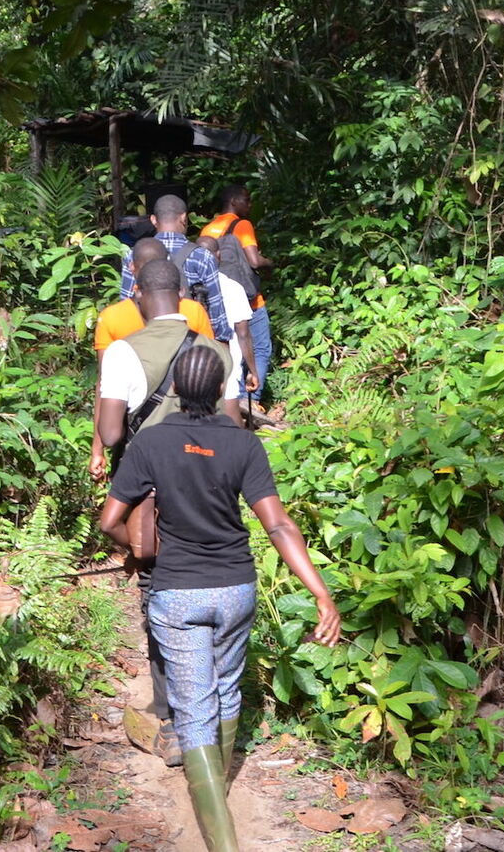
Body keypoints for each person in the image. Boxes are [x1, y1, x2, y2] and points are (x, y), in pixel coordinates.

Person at [96, 344, 341, 852]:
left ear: (180, 390)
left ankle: (221, 839)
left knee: (192, 706)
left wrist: (140, 553)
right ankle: (219, 794)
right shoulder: (244, 445)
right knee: (227, 689)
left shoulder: (150, 443)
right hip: (235, 588)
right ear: (222, 389)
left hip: (178, 592)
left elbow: (109, 522)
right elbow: (277, 523)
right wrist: (322, 594)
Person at [92, 258, 242, 767]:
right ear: (183, 294)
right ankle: (216, 712)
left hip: (148, 492)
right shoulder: (219, 349)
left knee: (159, 590)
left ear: (137, 293)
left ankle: (174, 714)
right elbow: (234, 422)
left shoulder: (121, 352)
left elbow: (111, 435)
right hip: (211, 485)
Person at [89, 238, 216, 484]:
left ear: (132, 269)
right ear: (168, 266)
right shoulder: (193, 311)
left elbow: (104, 387)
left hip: (134, 434)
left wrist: (97, 449)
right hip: (190, 432)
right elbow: (212, 371)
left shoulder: (112, 317)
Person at [119, 195, 232, 345]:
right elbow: (216, 311)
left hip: (146, 341)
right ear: (184, 218)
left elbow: (127, 303)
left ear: (153, 220)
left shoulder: (134, 255)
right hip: (190, 342)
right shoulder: (202, 256)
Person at [202, 185, 272, 405]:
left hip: (218, 298)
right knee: (260, 347)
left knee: (230, 346)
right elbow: (254, 261)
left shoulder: (207, 229)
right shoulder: (242, 225)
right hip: (249, 299)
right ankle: (251, 398)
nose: (249, 205)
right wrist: (271, 263)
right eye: (247, 200)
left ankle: (231, 395)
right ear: (234, 200)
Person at [200, 231, 259, 402]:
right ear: (218, 256)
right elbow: (243, 334)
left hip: (194, 367)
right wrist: (253, 371)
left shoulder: (185, 287)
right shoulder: (233, 288)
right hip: (228, 365)